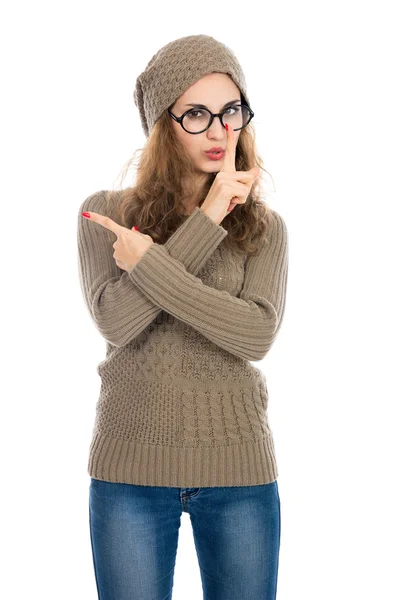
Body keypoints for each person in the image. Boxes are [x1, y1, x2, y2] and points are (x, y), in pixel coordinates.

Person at [77, 34, 288, 600]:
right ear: (163, 125)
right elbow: (118, 323)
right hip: (129, 471)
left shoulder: (264, 229)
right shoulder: (107, 214)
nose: (220, 130)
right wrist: (207, 218)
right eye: (196, 113)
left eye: (231, 111)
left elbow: (256, 334)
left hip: (238, 469)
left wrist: (152, 264)